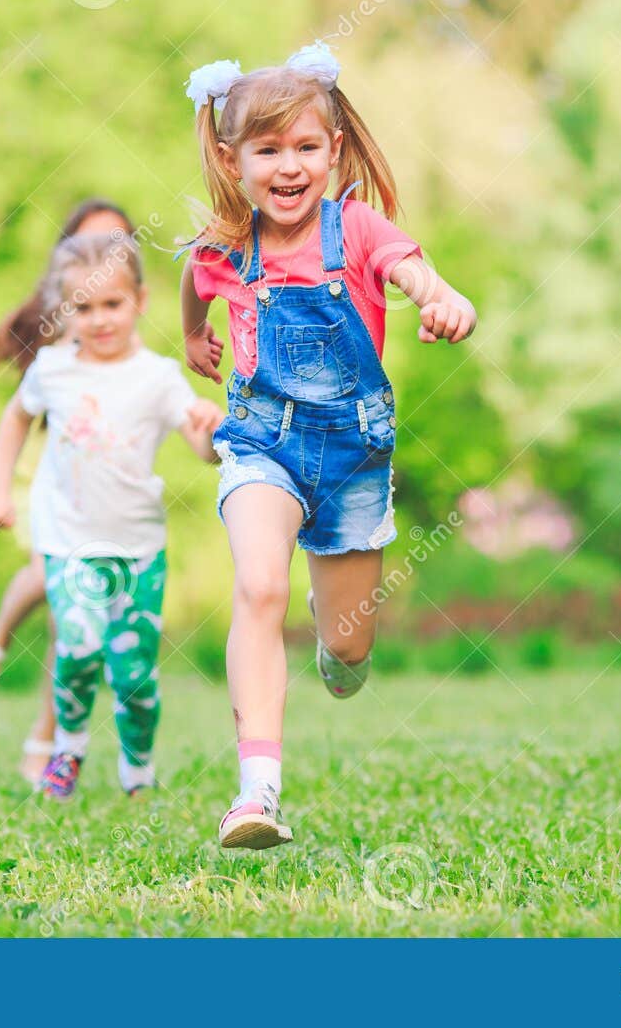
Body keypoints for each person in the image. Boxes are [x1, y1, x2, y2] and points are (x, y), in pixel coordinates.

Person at [179, 41, 477, 849]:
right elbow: (195, 281)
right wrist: (193, 336)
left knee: (347, 649)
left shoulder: (360, 227)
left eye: (305, 147)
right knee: (259, 587)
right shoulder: (223, 245)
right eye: (267, 149)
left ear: (334, 149)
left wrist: (446, 301)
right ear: (230, 155)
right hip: (259, 448)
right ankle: (257, 793)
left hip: (352, 460)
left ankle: (336, 630)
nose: (288, 166)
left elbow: (420, 275)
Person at [0, 231, 221, 799]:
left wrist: (210, 432)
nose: (99, 319)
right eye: (83, 308)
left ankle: (137, 770)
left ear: (140, 299)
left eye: (112, 304)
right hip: (68, 541)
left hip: (139, 547)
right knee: (79, 645)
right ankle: (68, 749)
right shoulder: (54, 370)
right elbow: (16, 419)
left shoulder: (157, 376)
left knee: (134, 675)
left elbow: (201, 448)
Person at [0, 199, 136, 784]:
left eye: (115, 247)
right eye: (86, 248)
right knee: (54, 567)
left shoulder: (123, 321)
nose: (99, 261)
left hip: (103, 479)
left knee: (75, 617)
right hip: (45, 466)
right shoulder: (41, 312)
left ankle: (45, 741)